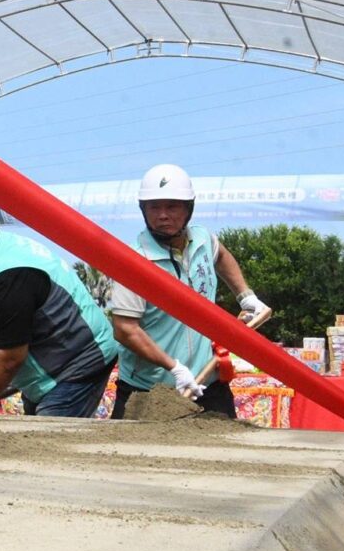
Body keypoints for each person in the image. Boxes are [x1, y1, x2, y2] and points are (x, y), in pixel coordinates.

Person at [0, 186, 117, 418]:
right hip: (55, 360)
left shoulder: (10, 274)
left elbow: (10, 358)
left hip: (78, 362)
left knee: (47, 440)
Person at [108, 165, 269, 419]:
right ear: (143, 210)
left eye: (172, 206)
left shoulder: (203, 240)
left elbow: (222, 256)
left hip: (209, 381)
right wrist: (174, 368)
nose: (162, 215)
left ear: (188, 208)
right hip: (149, 390)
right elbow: (125, 329)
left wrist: (245, 296)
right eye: (154, 207)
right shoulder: (135, 261)